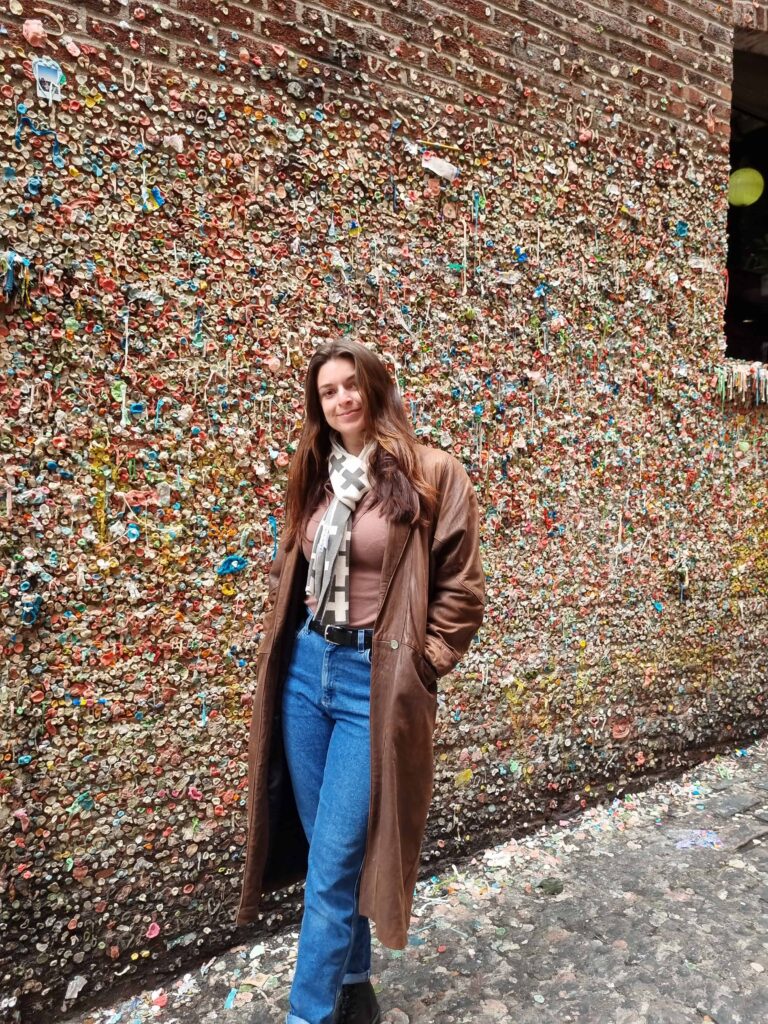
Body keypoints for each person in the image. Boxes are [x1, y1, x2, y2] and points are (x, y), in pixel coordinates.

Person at [236, 339, 485, 1024]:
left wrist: (421, 666)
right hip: (305, 673)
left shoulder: (433, 473)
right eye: (328, 391)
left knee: (335, 862)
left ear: (377, 388)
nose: (343, 399)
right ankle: (353, 981)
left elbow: (461, 594)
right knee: (325, 848)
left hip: (370, 684)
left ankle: (307, 1014)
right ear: (318, 406)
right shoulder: (316, 474)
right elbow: (295, 561)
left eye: (353, 385)